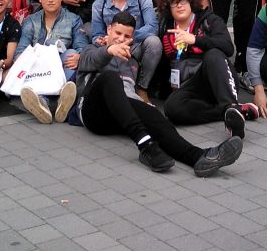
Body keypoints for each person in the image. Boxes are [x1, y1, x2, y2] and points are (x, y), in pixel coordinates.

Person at [75, 12, 244, 176]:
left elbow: (152, 47)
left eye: (127, 36)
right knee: (111, 78)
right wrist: (109, 50)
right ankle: (146, 146)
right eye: (117, 33)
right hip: (93, 113)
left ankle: (200, 157)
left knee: (154, 115)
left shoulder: (132, 57)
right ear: (109, 30)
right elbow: (88, 60)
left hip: (122, 114)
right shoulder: (92, 49)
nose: (121, 39)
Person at [157, 0, 257, 135]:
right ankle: (232, 111)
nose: (179, 6)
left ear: (191, 1)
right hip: (190, 85)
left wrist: (195, 40)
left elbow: (227, 47)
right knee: (172, 108)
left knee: (213, 54)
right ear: (168, 7)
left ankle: (230, 106)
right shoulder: (166, 26)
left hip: (218, 79)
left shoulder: (209, 19)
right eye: (174, 2)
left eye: (183, 0)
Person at [14, 0, 86, 124]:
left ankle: (62, 101)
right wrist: (31, 60)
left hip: (61, 67)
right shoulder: (31, 21)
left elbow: (82, 47)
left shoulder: (73, 19)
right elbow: (20, 51)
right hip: (37, 69)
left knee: (72, 54)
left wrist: (79, 56)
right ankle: (42, 103)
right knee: (24, 59)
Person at [90, 0, 162, 104]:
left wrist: (126, 38)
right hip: (111, 48)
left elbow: (152, 26)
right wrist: (103, 40)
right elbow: (96, 35)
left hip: (135, 46)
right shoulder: (99, 4)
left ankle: (142, 88)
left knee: (154, 43)